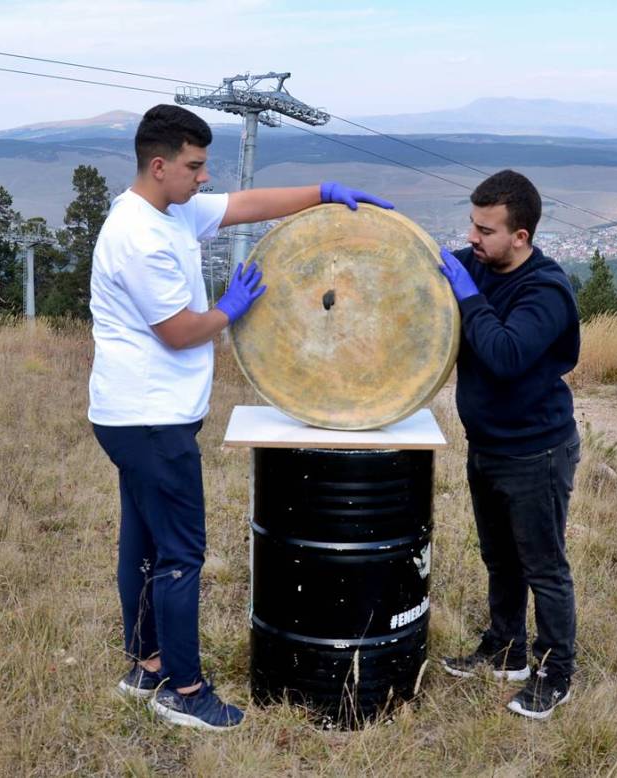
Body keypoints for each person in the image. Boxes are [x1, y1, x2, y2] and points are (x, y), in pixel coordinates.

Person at [88, 104, 393, 732]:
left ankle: (145, 668)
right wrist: (230, 308)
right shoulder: (138, 237)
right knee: (180, 554)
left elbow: (246, 204)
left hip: (139, 413)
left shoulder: (165, 211)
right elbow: (179, 332)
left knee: (144, 543)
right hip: (149, 418)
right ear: (159, 164)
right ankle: (185, 690)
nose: (204, 178)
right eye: (196, 167)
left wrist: (323, 194)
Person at [438, 169, 581, 720]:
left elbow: (503, 355)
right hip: (488, 445)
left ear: (520, 236)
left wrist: (469, 296)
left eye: (485, 230)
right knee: (499, 558)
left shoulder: (545, 290)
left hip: (536, 451)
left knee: (542, 565)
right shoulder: (477, 261)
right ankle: (506, 650)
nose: (472, 239)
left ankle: (555, 671)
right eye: (471, 226)